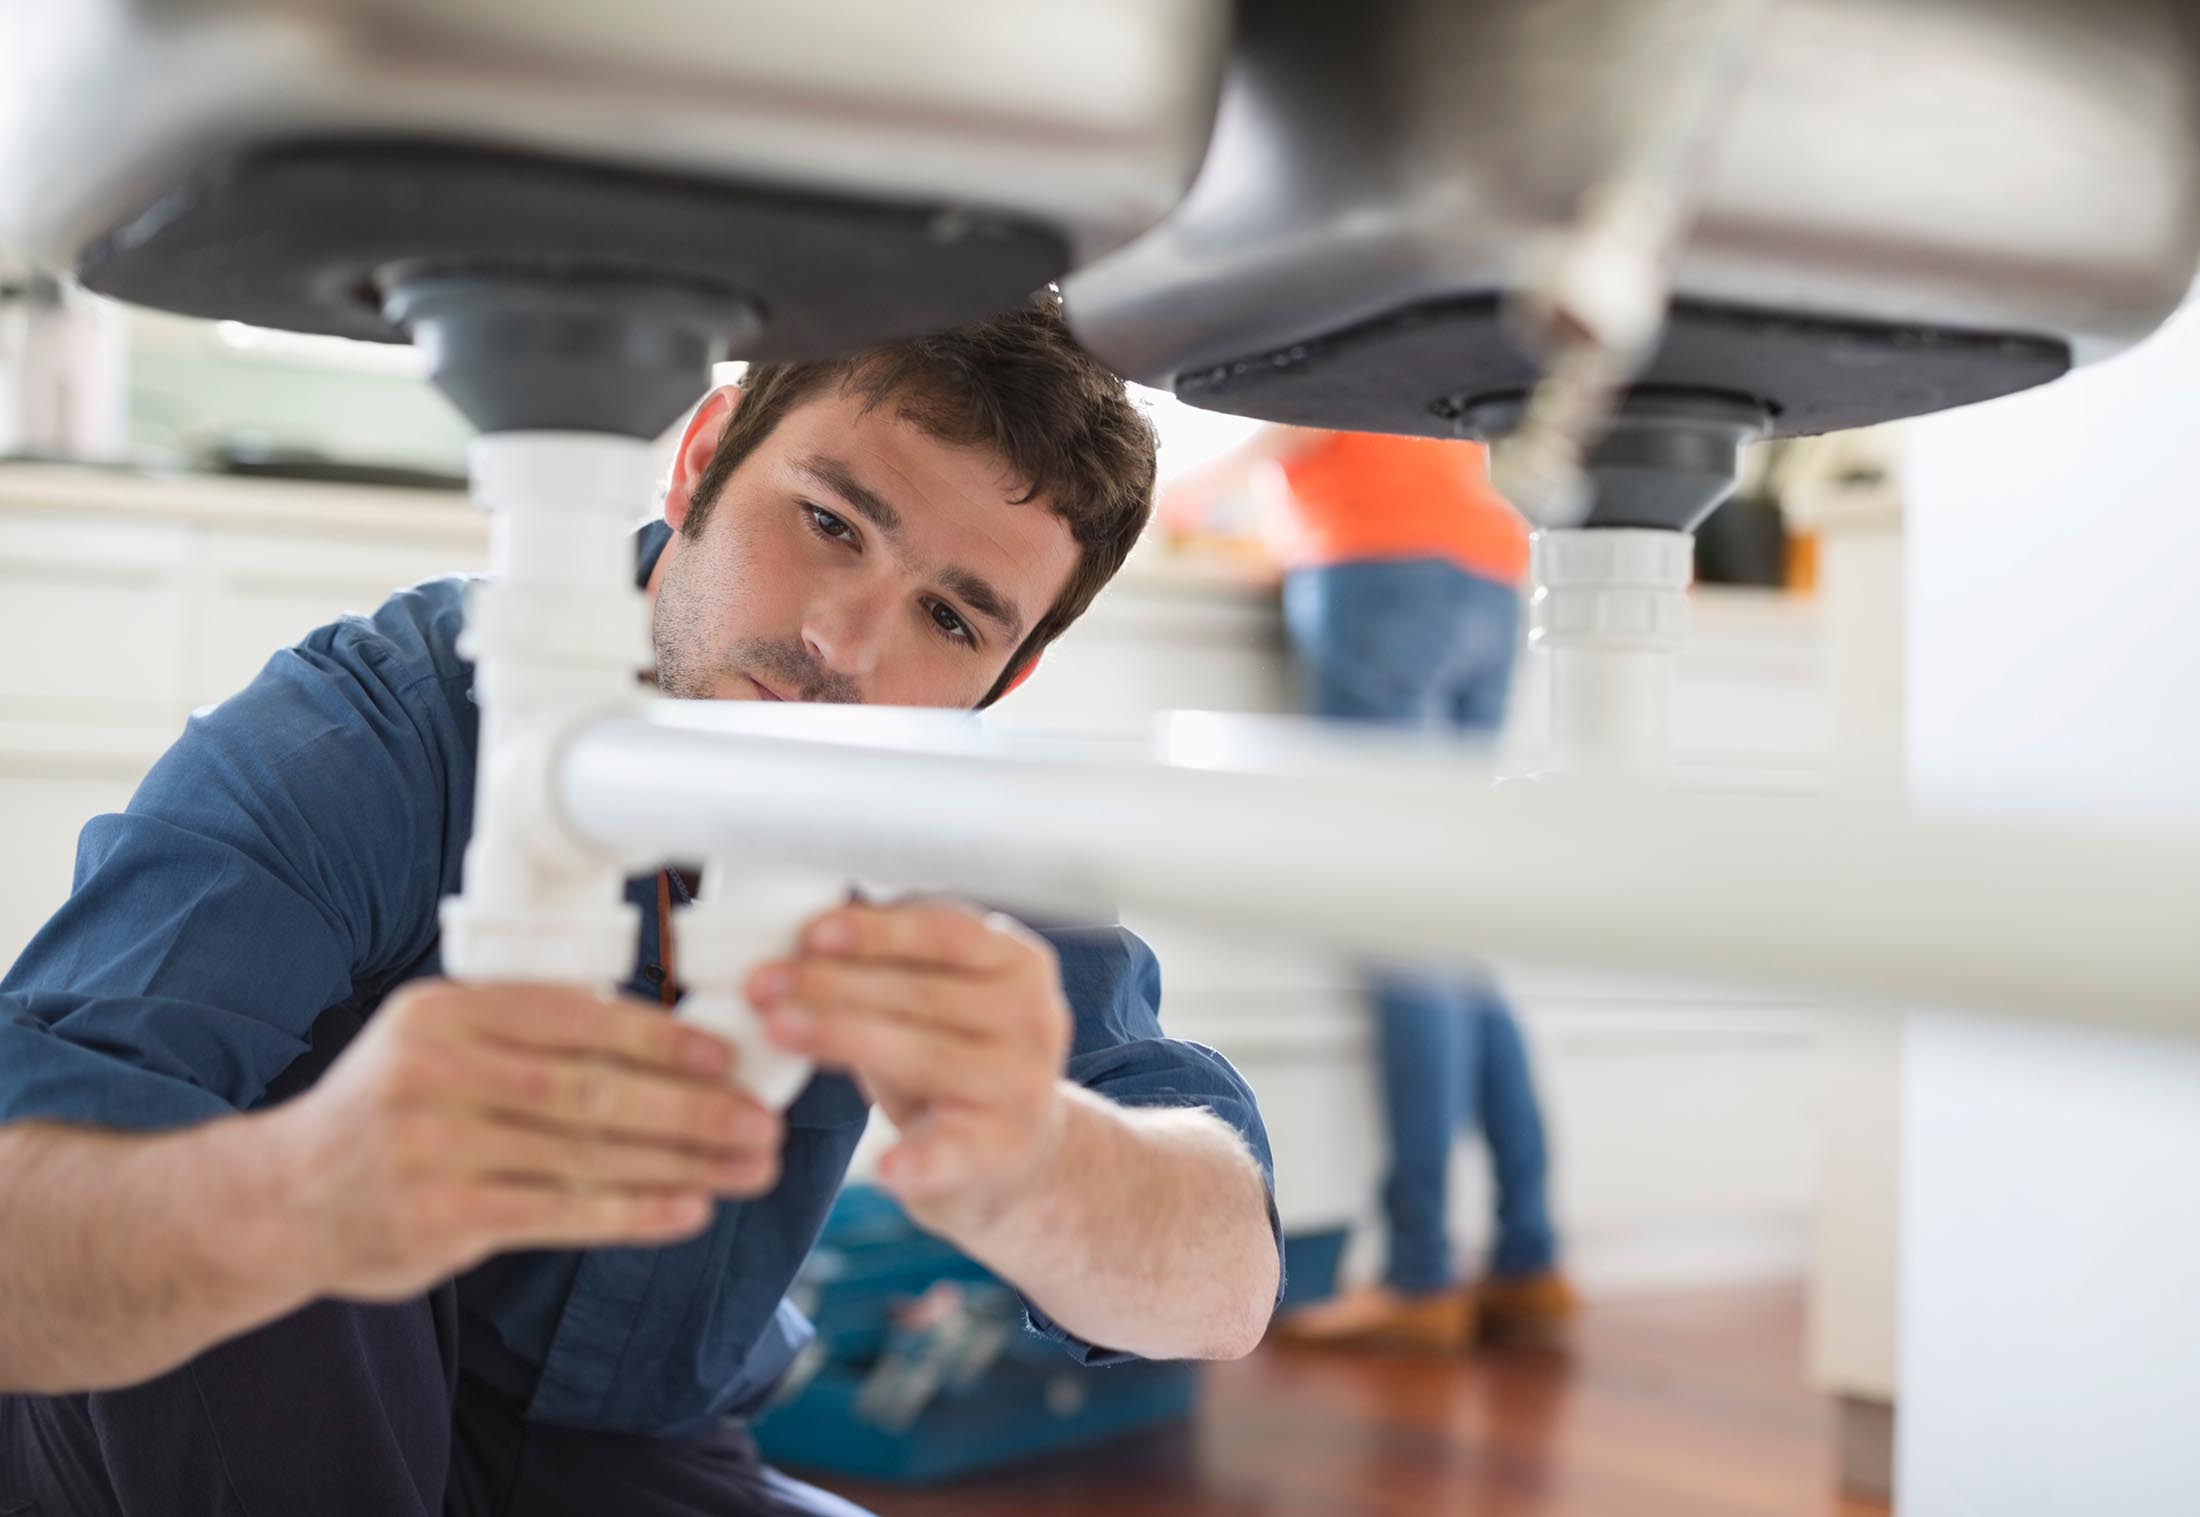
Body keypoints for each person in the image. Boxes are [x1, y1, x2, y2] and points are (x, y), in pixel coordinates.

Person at [0, 295, 1283, 1517]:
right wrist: (301, 1194)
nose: (844, 645)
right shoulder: (370, 734)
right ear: (704, 459)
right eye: (832, 522)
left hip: (621, 1454)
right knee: (244, 1101)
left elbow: (1227, 1283)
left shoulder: (943, 808)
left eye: (949, 618)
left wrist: (1036, 1148)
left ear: (1012, 670)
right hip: (216, 1399)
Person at [1161, 425, 1575, 1353]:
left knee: (1407, 929)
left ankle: (1421, 1273)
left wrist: (1178, 492)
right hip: (1491, 569)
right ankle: (1528, 1257)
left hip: (1379, 561)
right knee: (1448, 933)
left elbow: (1293, 417)